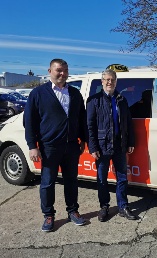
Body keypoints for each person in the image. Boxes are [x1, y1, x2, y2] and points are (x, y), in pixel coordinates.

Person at [23, 58, 87, 232]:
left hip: (71, 146)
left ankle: (73, 211)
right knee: (47, 182)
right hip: (49, 146)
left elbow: (81, 119)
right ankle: (49, 215)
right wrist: (32, 145)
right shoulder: (38, 93)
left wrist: (84, 139)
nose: (62, 74)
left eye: (65, 70)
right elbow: (29, 122)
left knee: (71, 181)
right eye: (59, 70)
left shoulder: (74, 93)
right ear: (49, 71)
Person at [86, 69, 137, 222]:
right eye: (107, 80)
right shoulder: (94, 100)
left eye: (112, 80)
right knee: (102, 179)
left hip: (119, 146)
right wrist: (93, 147)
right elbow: (90, 126)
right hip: (102, 146)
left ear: (116, 82)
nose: (109, 82)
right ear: (102, 82)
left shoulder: (121, 100)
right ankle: (104, 207)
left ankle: (123, 206)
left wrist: (130, 142)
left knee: (122, 178)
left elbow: (128, 122)